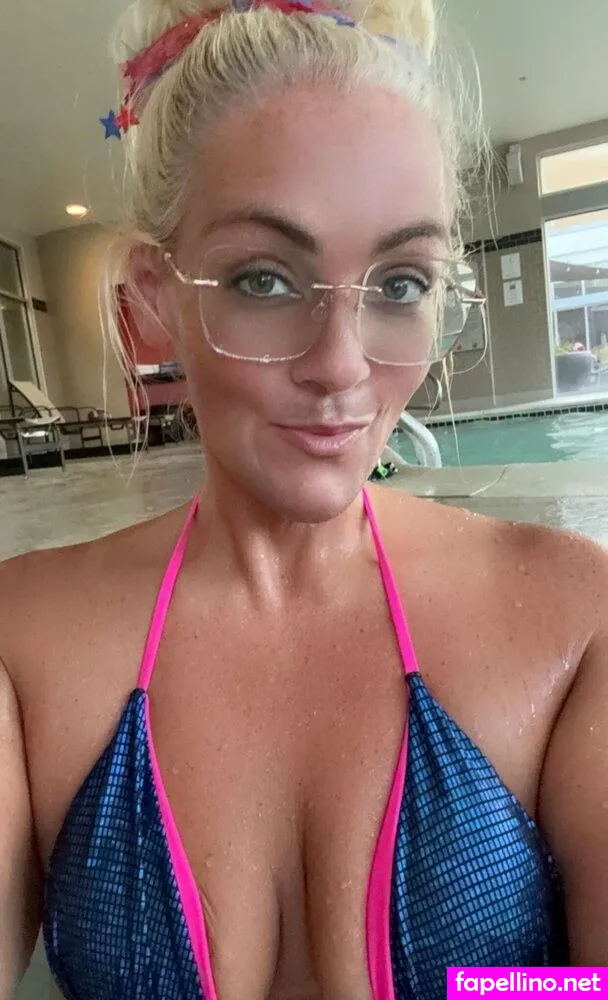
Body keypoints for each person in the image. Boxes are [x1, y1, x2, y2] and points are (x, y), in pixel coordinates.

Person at [1, 0, 607, 997]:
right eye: (265, 280)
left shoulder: (573, 619)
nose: (341, 365)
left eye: (400, 284)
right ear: (153, 302)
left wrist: (514, 987)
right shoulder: (23, 646)